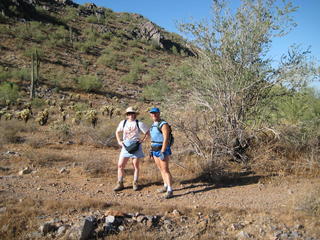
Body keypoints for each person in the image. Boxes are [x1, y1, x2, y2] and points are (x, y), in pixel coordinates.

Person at [114, 107, 149, 191]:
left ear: (135, 114)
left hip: (136, 146)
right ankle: (120, 183)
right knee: (120, 165)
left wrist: (142, 140)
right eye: (129, 114)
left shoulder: (139, 123)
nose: (131, 115)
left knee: (135, 166)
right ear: (127, 115)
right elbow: (117, 132)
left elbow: (147, 132)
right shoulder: (123, 123)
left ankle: (135, 182)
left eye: (133, 113)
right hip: (125, 146)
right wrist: (119, 141)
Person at [149, 107, 174, 199]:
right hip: (155, 149)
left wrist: (163, 151)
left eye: (155, 113)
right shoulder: (153, 125)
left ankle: (170, 190)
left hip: (162, 149)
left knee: (165, 169)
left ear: (159, 113)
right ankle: (165, 186)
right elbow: (153, 138)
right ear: (150, 114)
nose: (154, 115)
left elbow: (166, 138)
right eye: (152, 113)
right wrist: (151, 149)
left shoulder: (163, 124)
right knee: (161, 169)